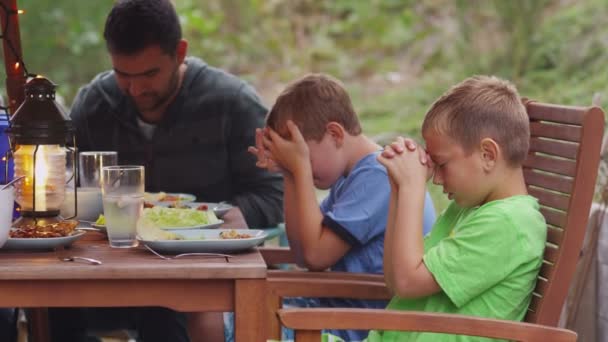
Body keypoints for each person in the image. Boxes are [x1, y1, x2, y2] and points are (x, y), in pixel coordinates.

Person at [48, 0, 283, 341]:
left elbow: (274, 192)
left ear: (180, 52)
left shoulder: (232, 103)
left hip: (198, 278)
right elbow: (64, 188)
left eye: (149, 74)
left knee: (170, 314)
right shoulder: (94, 104)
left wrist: (235, 214)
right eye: (123, 75)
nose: (136, 89)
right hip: (107, 272)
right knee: (52, 304)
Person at [248, 73, 436, 341]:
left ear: (335, 134)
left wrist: (299, 168)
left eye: (305, 157)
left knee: (224, 325)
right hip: (331, 313)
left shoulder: (378, 175)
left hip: (358, 327)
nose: (303, 167)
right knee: (222, 316)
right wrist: (290, 172)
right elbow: (302, 251)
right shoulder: (351, 178)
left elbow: (315, 256)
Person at [366, 75, 547, 341]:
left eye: (442, 164)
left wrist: (414, 188)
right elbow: (396, 282)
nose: (436, 178)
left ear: (487, 155)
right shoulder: (471, 207)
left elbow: (406, 282)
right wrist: (399, 189)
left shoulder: (510, 223)